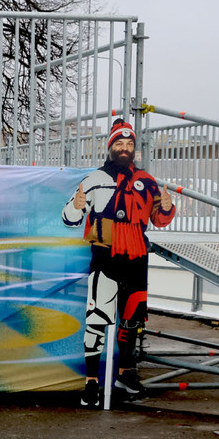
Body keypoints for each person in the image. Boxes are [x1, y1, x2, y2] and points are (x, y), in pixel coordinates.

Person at [61, 118, 175, 408]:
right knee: (97, 318)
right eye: (119, 144)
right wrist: (76, 206)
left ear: (134, 149)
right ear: (109, 147)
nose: (124, 149)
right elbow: (69, 218)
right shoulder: (93, 180)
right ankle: (91, 383)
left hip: (136, 259)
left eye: (129, 145)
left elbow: (159, 220)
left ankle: (126, 374)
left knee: (132, 320)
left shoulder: (147, 181)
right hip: (105, 257)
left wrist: (166, 206)